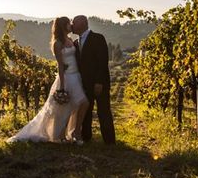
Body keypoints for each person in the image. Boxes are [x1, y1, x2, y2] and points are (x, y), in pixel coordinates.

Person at [7, 17, 89, 143]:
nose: (71, 25)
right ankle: (61, 136)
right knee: (63, 108)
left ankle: (75, 132)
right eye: (68, 23)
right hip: (66, 78)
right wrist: (62, 85)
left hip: (76, 76)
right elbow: (60, 65)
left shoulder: (70, 39)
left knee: (83, 103)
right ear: (63, 26)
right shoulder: (57, 43)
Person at [71, 15, 116, 144]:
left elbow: (102, 62)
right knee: (86, 111)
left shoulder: (98, 38)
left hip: (98, 83)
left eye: (73, 22)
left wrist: (99, 82)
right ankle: (86, 137)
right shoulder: (75, 42)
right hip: (84, 84)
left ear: (82, 24)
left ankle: (109, 141)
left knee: (103, 111)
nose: (72, 25)